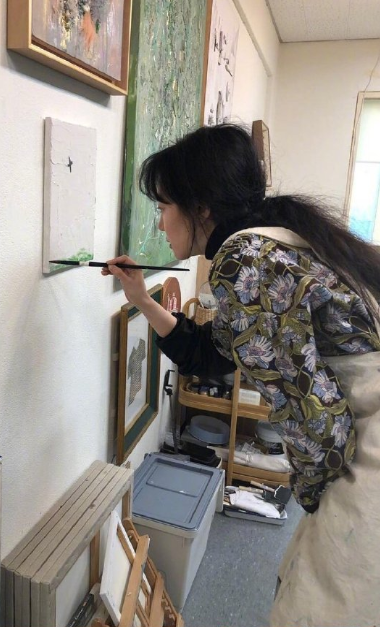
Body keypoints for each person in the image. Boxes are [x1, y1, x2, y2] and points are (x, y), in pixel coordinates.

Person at [102, 123, 380, 627]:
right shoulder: (274, 240)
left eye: (163, 207)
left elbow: (320, 429)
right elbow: (215, 354)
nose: (160, 224)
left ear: (201, 207)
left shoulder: (242, 260)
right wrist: (141, 299)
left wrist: (311, 497)